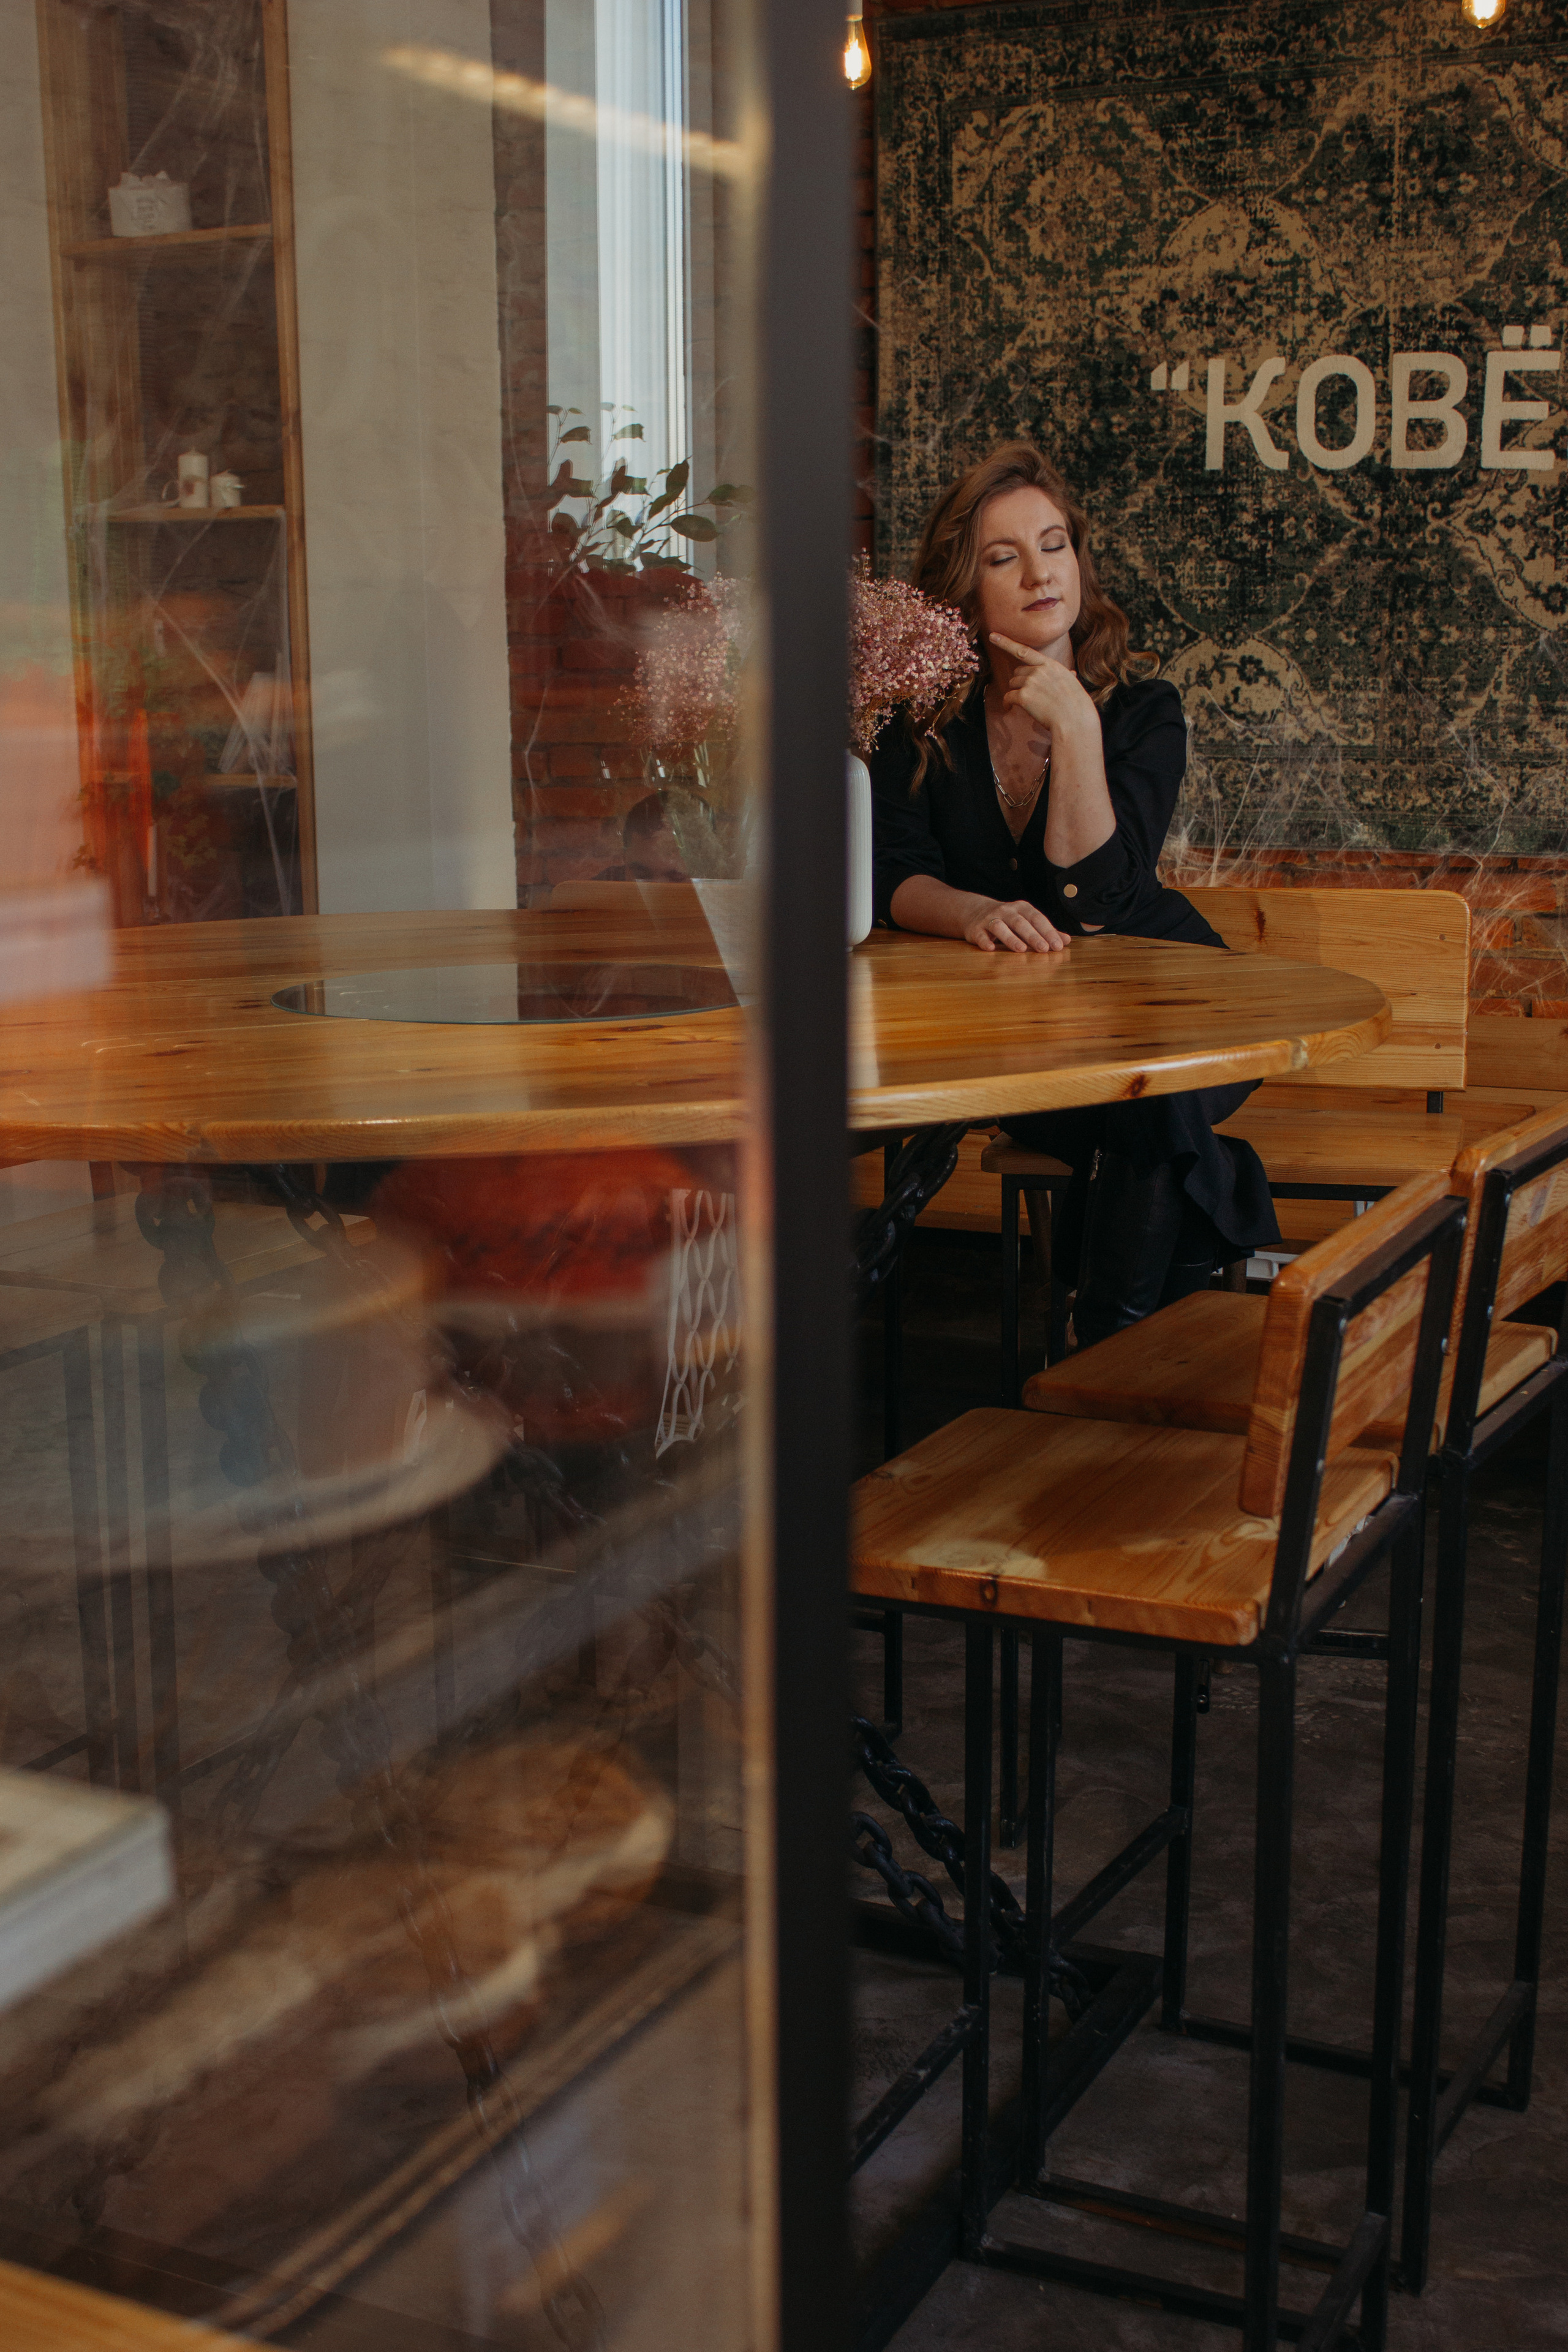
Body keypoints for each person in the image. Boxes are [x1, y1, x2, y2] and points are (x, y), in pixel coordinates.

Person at [869, 440, 1280, 1348]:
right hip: (1027, 1040)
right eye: (1002, 556)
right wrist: (970, 911)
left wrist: (1078, 727)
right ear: (965, 586)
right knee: (1160, 1120)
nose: (1039, 573)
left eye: (1053, 545)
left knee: (1160, 1092)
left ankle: (1096, 1339)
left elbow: (1094, 899)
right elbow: (890, 876)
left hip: (1181, 998)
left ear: (1079, 561)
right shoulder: (919, 725)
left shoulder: (1145, 713)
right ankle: (1118, 1349)